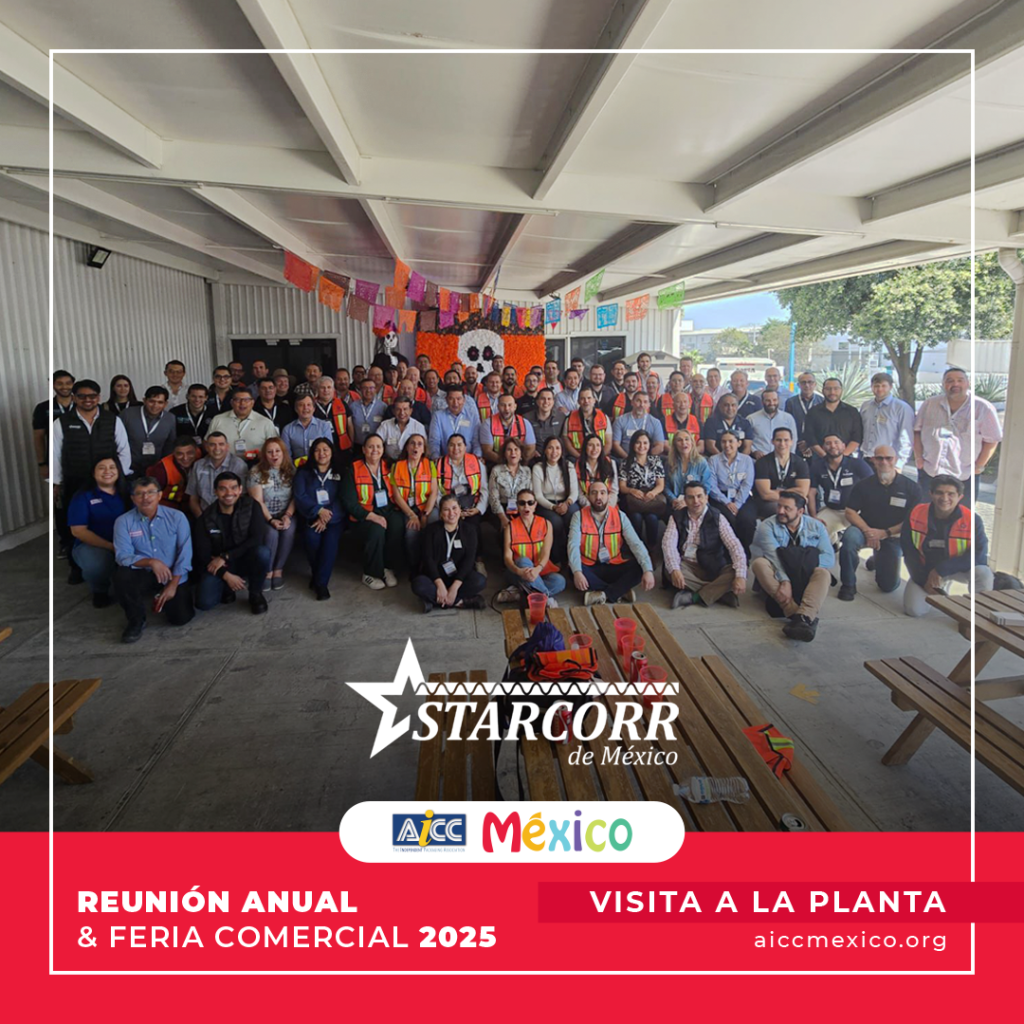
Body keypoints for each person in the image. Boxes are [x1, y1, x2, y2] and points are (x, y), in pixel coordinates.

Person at [53, 379, 132, 571]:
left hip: (108, 480)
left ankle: (119, 560)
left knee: (111, 519)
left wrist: (118, 476)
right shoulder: (61, 422)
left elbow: (123, 449)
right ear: (74, 398)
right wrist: (56, 483)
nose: (87, 400)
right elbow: (55, 454)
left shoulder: (112, 419)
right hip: (75, 480)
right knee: (73, 523)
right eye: (82, 396)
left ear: (99, 397)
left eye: (92, 396)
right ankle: (76, 567)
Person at [113, 475, 195, 642]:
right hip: (143, 571)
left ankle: (164, 595)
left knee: (180, 618)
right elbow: (122, 555)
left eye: (151, 492)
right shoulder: (123, 521)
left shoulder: (177, 517)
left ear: (159, 495)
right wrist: (151, 562)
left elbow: (185, 553)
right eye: (140, 493)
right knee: (122, 576)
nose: (145, 497)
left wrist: (172, 585)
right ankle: (136, 620)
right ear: (133, 498)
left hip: (172, 574)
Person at [901, 474, 994, 617]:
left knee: (983, 572)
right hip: (926, 570)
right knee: (914, 610)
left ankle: (979, 612)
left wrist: (941, 570)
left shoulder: (972, 519)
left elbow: (979, 555)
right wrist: (923, 580)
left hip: (958, 569)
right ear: (931, 494)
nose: (944, 498)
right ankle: (940, 585)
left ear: (960, 497)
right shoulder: (915, 514)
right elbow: (909, 552)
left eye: (951, 494)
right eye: (939, 493)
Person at [840, 445, 920, 601]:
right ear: (873, 460)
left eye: (888, 458)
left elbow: (912, 520)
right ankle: (848, 585)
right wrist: (868, 531)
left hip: (893, 535)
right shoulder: (863, 485)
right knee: (849, 539)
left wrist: (885, 533)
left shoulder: (911, 488)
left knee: (888, 586)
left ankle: (877, 560)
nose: (884, 462)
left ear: (896, 460)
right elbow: (850, 511)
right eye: (879, 458)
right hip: (865, 530)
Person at [750, 492, 834, 642]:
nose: (780, 511)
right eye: (779, 506)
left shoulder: (817, 526)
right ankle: (800, 616)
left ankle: (803, 616)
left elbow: (828, 557)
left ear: (800, 511)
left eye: (787, 508)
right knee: (759, 563)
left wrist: (802, 567)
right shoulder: (767, 526)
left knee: (823, 573)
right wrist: (785, 580)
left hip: (805, 575)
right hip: (779, 574)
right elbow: (774, 558)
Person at [913, 366, 1002, 503]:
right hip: (930, 472)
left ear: (968, 383)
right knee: (926, 512)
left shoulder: (983, 407)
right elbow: (917, 431)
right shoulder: (930, 404)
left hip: (965, 474)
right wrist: (919, 458)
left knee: (962, 515)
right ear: (943, 384)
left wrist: (978, 466)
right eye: (950, 381)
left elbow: (992, 440)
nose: (955, 384)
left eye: (960, 380)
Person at [193, 472, 270, 616]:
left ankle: (255, 594)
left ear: (240, 489)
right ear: (215, 491)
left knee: (263, 553)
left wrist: (226, 556)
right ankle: (226, 587)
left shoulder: (252, 506)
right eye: (223, 489)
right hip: (219, 566)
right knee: (204, 603)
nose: (229, 493)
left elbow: (257, 538)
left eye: (233, 488)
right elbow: (202, 554)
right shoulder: (206, 517)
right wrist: (226, 575)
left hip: (244, 558)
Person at [568, 480, 655, 606]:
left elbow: (636, 544)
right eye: (594, 493)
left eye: (602, 493)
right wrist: (577, 572)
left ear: (609, 497)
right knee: (573, 570)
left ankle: (602, 594)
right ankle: (620, 591)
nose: (598, 497)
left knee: (644, 567)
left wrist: (648, 571)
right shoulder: (578, 516)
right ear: (588, 497)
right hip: (590, 566)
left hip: (614, 564)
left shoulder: (620, 516)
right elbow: (573, 546)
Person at [664, 481, 747, 610]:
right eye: (691, 497)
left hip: (712, 565)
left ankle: (694, 597)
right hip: (687, 565)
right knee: (670, 569)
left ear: (706, 498)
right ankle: (718, 593)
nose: (696, 501)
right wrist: (675, 570)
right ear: (685, 500)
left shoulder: (718, 517)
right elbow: (668, 545)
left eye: (699, 496)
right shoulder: (676, 517)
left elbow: (734, 545)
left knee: (735, 571)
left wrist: (740, 576)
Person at [343, 433, 404, 590]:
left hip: (387, 510)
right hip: (363, 515)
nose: (374, 450)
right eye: (370, 447)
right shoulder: (353, 469)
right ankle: (370, 573)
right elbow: (349, 502)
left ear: (383, 449)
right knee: (377, 529)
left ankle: (387, 568)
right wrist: (371, 516)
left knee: (397, 523)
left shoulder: (389, 467)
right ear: (363, 449)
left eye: (378, 446)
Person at [68, 457, 131, 607]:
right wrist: (111, 546)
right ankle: (99, 590)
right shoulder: (83, 496)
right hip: (94, 545)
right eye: (102, 468)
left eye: (112, 467)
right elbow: (78, 531)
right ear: (93, 473)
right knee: (97, 565)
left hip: (127, 542)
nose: (107, 471)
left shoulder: (129, 492)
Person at [412, 494, 487, 612]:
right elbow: (428, 559)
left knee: (480, 581)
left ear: (460, 510)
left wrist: (455, 587)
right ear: (441, 514)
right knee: (418, 584)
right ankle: (459, 602)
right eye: (446, 510)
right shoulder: (431, 530)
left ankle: (436, 601)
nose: (451, 513)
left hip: (458, 577)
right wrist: (439, 584)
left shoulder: (470, 530)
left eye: (454, 508)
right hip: (436, 577)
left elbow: (469, 560)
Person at [293, 437, 344, 600]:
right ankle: (318, 575)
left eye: (325, 450)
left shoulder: (340, 471)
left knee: (330, 544)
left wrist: (326, 516)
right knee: (311, 538)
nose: (322, 453)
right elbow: (300, 496)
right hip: (311, 516)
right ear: (312, 453)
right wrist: (318, 511)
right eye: (317, 450)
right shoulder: (303, 472)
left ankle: (321, 584)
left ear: (332, 452)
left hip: (334, 518)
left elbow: (343, 497)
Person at [498, 489, 565, 605]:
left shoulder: (546, 524)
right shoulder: (510, 527)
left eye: (530, 503)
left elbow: (546, 553)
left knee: (560, 581)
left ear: (535, 505)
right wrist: (519, 571)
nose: (526, 507)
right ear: (517, 506)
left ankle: (520, 592)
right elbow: (507, 558)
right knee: (523, 560)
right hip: (518, 572)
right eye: (522, 503)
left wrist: (537, 569)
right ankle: (545, 598)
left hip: (540, 571)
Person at [247, 437, 297, 591]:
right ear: (264, 454)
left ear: (283, 453)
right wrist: (270, 520)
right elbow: (258, 501)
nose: (274, 455)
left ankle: (278, 569)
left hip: (286, 512)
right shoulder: (256, 472)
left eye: (277, 451)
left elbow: (296, 497)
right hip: (264, 515)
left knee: (289, 531)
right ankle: (267, 572)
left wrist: (288, 515)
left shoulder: (292, 470)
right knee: (271, 533)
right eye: (270, 452)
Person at [808, 432, 872, 545]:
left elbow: (873, 486)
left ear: (843, 446)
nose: (833, 446)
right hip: (833, 510)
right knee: (812, 531)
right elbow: (811, 492)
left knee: (852, 539)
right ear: (823, 447)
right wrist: (813, 516)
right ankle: (833, 544)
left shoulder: (857, 464)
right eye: (828, 443)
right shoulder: (817, 466)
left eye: (836, 442)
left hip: (855, 512)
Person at [391, 434, 439, 569]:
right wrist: (412, 515)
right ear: (407, 447)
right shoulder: (397, 466)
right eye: (412, 443)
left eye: (419, 444)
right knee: (411, 533)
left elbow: (434, 492)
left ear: (423, 449)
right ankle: (415, 566)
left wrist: (425, 514)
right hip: (407, 508)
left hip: (426, 507)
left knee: (435, 524)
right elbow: (397, 496)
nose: (415, 447)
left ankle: (434, 563)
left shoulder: (430, 465)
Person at [437, 432, 488, 556]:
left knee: (473, 526)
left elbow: (485, 489)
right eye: (452, 445)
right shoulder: (438, 464)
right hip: (448, 508)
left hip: (471, 507)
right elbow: (436, 492)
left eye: (459, 445)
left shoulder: (477, 463)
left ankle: (477, 559)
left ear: (465, 447)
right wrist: (447, 510)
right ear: (447, 447)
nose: (456, 448)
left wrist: (478, 509)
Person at [707, 430, 758, 552]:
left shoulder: (747, 460)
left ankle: (744, 551)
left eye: (731, 441)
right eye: (724, 442)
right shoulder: (713, 460)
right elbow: (712, 486)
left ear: (739, 443)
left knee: (747, 520)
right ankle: (729, 552)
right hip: (720, 497)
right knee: (728, 518)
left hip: (742, 495)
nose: (727, 445)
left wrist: (737, 504)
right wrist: (727, 502)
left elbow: (747, 484)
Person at [532, 435, 579, 562]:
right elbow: (538, 495)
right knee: (555, 522)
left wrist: (567, 504)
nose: (554, 452)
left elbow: (574, 492)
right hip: (546, 504)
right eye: (550, 448)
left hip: (566, 501)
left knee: (573, 516)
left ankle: (573, 556)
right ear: (545, 450)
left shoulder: (568, 466)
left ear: (562, 451)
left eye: (557, 448)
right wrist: (553, 507)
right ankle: (556, 558)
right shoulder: (538, 468)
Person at [619, 430, 666, 554]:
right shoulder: (626, 462)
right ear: (633, 444)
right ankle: (636, 548)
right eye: (638, 443)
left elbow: (660, 485)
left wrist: (653, 493)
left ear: (650, 445)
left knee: (652, 518)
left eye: (645, 443)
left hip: (651, 498)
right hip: (634, 499)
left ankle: (651, 549)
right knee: (636, 517)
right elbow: (622, 486)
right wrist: (632, 490)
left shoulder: (655, 461)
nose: (642, 446)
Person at [859, 372, 913, 470]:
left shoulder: (901, 408)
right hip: (866, 459)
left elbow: (906, 437)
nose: (880, 389)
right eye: (877, 386)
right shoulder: (865, 406)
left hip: (887, 460)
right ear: (871, 387)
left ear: (890, 387)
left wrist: (899, 464)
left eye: (884, 386)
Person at [185, 432, 247, 517]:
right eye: (212, 445)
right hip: (203, 515)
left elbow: (242, 497)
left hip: (231, 517)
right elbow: (193, 498)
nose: (217, 448)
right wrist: (202, 520)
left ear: (227, 446)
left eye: (221, 444)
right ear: (206, 447)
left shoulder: (239, 465)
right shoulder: (198, 465)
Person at [753, 427, 810, 518]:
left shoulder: (801, 463)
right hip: (770, 503)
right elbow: (765, 494)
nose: (782, 444)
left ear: (791, 442)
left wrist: (776, 492)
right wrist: (793, 493)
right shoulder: (762, 463)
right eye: (778, 440)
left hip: (793, 503)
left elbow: (803, 491)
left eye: (786, 440)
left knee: (803, 515)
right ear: (772, 441)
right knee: (781, 512)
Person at [209, 387, 278, 462]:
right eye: (238, 400)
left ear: (252, 402)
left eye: (246, 400)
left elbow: (275, 447)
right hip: (224, 464)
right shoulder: (218, 419)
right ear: (232, 402)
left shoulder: (265, 422)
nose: (242, 403)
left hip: (256, 463)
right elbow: (207, 442)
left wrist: (260, 455)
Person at [121, 386, 177, 475]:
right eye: (152, 401)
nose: (155, 406)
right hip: (129, 467)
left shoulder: (170, 418)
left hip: (156, 468)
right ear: (144, 400)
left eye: (160, 402)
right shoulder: (127, 414)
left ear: (165, 404)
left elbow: (169, 445)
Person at [802, 377, 863, 458]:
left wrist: (842, 457)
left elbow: (857, 437)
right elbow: (810, 438)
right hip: (820, 459)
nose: (832, 392)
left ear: (841, 390)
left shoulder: (852, 412)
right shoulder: (813, 412)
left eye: (836, 388)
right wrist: (825, 457)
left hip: (847, 459)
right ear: (823, 391)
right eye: (828, 389)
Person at [488, 437, 533, 531]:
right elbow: (493, 499)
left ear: (521, 453)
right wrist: (503, 518)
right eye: (509, 450)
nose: (513, 453)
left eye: (516, 449)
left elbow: (530, 497)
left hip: (522, 509)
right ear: (504, 454)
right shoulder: (496, 471)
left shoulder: (527, 471)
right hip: (501, 510)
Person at [665, 429, 713, 514]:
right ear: (675, 444)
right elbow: (666, 486)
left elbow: (707, 486)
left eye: (687, 439)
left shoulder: (701, 462)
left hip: (697, 503)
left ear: (692, 442)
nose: (684, 443)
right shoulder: (670, 463)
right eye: (679, 440)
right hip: (676, 504)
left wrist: (687, 502)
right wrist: (673, 499)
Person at [481, 393, 536, 465]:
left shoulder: (525, 423)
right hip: (497, 463)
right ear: (498, 407)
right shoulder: (488, 424)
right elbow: (487, 451)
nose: (506, 409)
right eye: (503, 405)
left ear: (515, 407)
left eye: (510, 405)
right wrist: (507, 464)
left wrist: (518, 463)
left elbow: (531, 448)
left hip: (520, 463)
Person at [428, 385, 481, 459]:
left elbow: (476, 441)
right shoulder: (438, 416)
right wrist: (436, 459)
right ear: (446, 400)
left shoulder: (472, 416)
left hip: (468, 460)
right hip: (445, 459)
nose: (455, 403)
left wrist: (476, 458)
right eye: (451, 399)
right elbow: (434, 441)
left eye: (458, 399)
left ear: (464, 400)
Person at [311, 376, 355, 463]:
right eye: (322, 388)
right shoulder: (311, 405)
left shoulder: (342, 404)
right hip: (320, 447)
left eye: (329, 387)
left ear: (333, 389)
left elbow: (350, 425)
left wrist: (352, 443)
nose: (326, 390)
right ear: (317, 390)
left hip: (341, 446)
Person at [150, 437, 199, 513]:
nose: (185, 458)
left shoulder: (202, 458)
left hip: (195, 505)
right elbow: (150, 495)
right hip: (168, 508)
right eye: (180, 454)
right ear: (173, 453)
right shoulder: (161, 470)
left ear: (196, 450)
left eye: (190, 453)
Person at [281, 394, 332, 466]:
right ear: (296, 409)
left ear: (314, 408)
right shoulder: (287, 430)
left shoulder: (324, 426)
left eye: (309, 405)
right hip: (296, 469)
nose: (305, 408)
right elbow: (286, 456)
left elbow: (329, 452)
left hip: (320, 467)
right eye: (301, 405)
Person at [612, 390, 666, 458]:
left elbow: (660, 446)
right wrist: (629, 459)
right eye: (638, 401)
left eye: (645, 402)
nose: (641, 405)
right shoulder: (620, 420)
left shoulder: (655, 422)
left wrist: (644, 459)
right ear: (632, 402)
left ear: (649, 405)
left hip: (648, 459)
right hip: (625, 459)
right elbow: (615, 444)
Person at [747, 389, 798, 461]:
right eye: (768, 400)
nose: (772, 403)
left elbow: (793, 439)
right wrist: (754, 451)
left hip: (783, 460)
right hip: (759, 460)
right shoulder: (751, 419)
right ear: (762, 402)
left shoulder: (788, 418)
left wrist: (790, 457)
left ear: (778, 400)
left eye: (774, 400)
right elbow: (747, 440)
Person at [564, 385, 611, 459]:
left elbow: (608, 443)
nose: (586, 401)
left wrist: (598, 459)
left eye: (589, 398)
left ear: (594, 400)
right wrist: (581, 458)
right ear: (578, 401)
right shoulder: (569, 418)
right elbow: (567, 444)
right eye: (582, 398)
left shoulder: (604, 417)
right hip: (577, 457)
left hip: (600, 456)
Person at [575, 433, 619, 508]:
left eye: (598, 445)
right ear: (585, 447)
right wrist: (591, 508)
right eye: (590, 445)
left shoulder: (611, 463)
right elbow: (579, 493)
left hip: (607, 505)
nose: (595, 448)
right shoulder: (577, 465)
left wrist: (606, 508)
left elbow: (614, 491)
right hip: (586, 505)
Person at [786, 371, 824, 456]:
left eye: (810, 382)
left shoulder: (822, 402)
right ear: (798, 385)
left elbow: (824, 426)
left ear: (815, 384)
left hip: (817, 446)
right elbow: (788, 425)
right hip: (796, 445)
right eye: (803, 382)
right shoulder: (791, 402)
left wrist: (809, 443)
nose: (807, 385)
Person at [379, 396, 428, 462]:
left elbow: (423, 448)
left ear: (411, 411)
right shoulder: (385, 425)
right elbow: (376, 442)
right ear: (393, 411)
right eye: (398, 409)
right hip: (389, 462)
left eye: (405, 409)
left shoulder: (419, 427)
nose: (402, 413)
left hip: (411, 462)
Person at [349, 378, 388, 452]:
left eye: (371, 388)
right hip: (358, 445)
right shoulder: (352, 406)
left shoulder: (383, 407)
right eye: (365, 388)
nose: (368, 391)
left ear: (375, 390)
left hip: (375, 447)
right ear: (360, 390)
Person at [524, 387, 566, 453]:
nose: (546, 402)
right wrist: (532, 451)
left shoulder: (561, 417)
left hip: (555, 454)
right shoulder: (526, 418)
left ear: (553, 402)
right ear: (537, 401)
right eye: (543, 399)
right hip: (535, 455)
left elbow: (564, 439)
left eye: (549, 399)